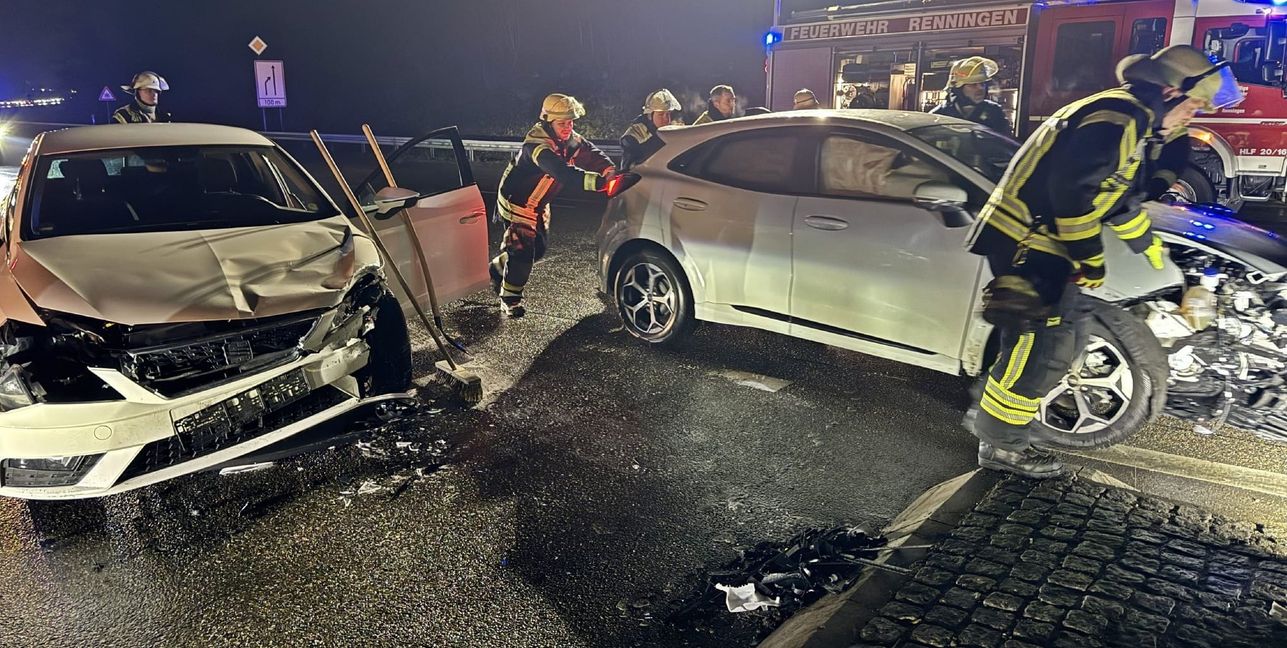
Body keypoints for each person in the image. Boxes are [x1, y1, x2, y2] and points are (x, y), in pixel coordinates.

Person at [962, 45, 1241, 478]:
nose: (1194, 117)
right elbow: (1072, 197)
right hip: (1028, 243)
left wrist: (1146, 245)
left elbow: (1116, 198)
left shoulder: (1134, 120)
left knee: (1061, 345)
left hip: (1042, 243)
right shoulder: (1119, 116)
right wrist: (1092, 261)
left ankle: (1002, 428)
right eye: (1194, 105)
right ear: (1170, 92)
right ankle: (1000, 444)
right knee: (1037, 349)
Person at [488, 93, 615, 317]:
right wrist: (599, 183)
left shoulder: (567, 138)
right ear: (548, 121)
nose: (568, 127)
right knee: (523, 253)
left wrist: (608, 169)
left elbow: (590, 152)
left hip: (539, 203)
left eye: (571, 122)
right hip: (517, 204)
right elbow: (563, 173)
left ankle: (499, 266)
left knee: (539, 249)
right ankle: (510, 300)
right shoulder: (538, 147)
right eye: (563, 123)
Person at [930, 56, 1011, 134]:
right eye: (973, 84)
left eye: (982, 84)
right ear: (958, 88)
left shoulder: (994, 112)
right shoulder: (940, 115)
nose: (980, 88)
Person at [620, 89, 680, 171]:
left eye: (668, 114)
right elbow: (630, 169)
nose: (667, 120)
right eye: (661, 114)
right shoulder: (634, 135)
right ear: (649, 115)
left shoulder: (672, 130)